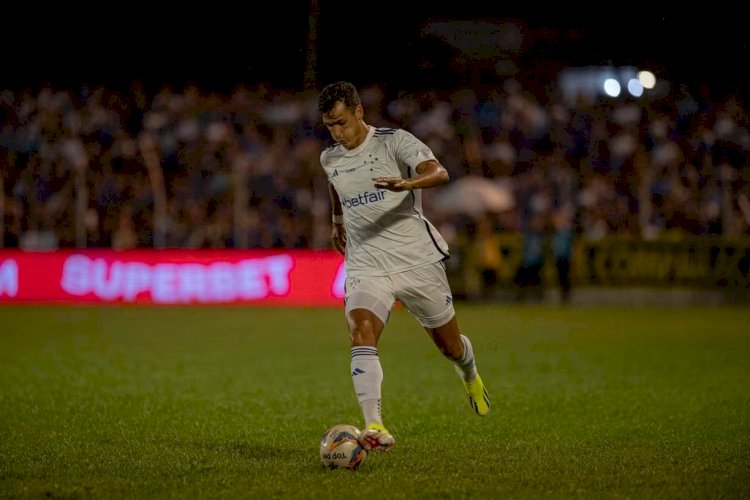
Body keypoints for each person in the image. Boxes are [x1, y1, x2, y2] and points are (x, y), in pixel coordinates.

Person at [317, 81, 490, 453]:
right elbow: (335, 186)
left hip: (415, 260)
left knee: (450, 348)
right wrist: (336, 221)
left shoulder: (394, 142)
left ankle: (469, 373)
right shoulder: (330, 158)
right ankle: (374, 425)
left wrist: (407, 183)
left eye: (342, 123)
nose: (338, 133)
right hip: (366, 263)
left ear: (359, 112)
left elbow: (439, 172)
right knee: (361, 331)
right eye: (330, 126)